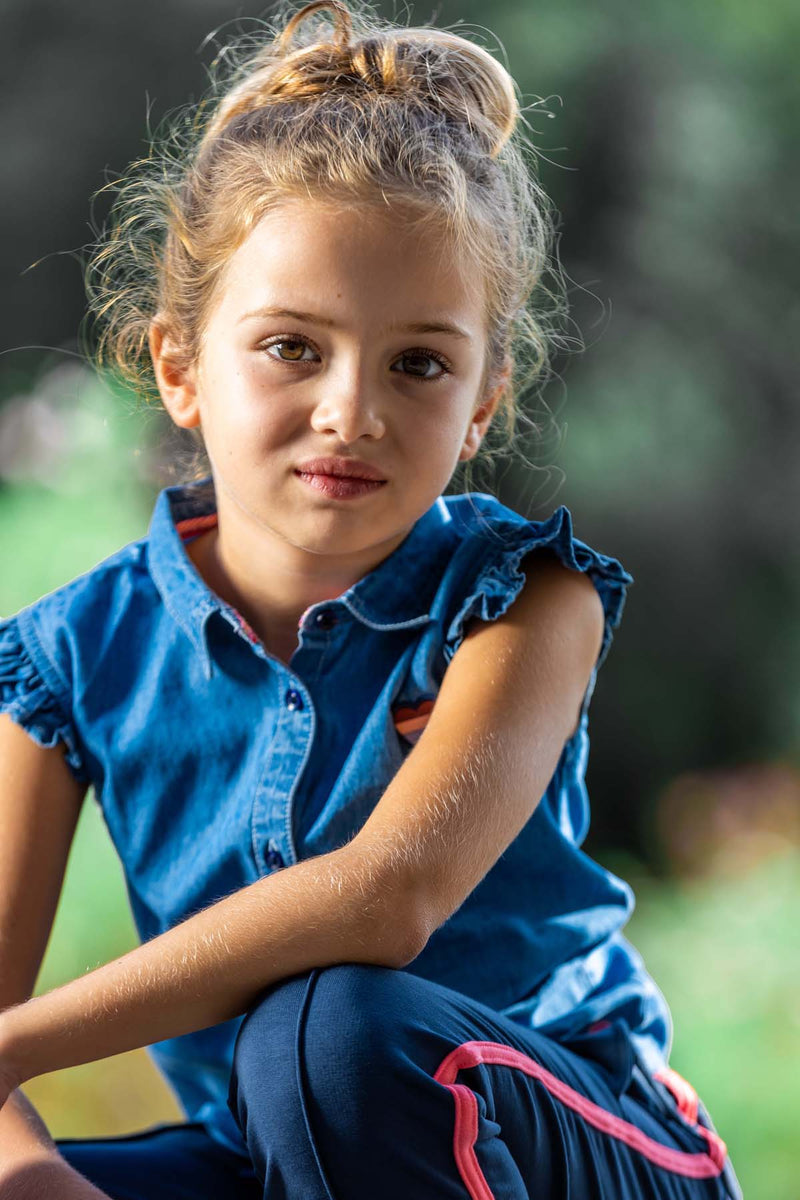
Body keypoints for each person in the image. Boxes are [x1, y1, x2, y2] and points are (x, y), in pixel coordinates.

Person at [0, 2, 742, 1197]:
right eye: (292, 346)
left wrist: (12, 1050)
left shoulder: (524, 604)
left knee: (326, 1034)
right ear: (180, 369)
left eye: (418, 364)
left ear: (483, 402)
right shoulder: (70, 658)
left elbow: (387, 900)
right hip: (279, 1155)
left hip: (575, 1140)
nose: (353, 410)